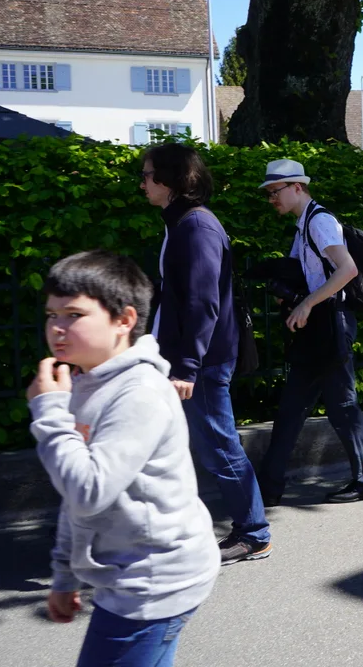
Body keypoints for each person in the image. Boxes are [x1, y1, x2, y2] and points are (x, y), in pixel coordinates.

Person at [27, 251, 219, 666]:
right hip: (132, 578)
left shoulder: (139, 393)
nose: (57, 328)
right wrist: (64, 574)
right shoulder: (82, 383)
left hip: (153, 584)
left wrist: (49, 413)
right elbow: (74, 493)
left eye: (74, 314)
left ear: (124, 320)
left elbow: (88, 490)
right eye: (51, 314)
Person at [141, 144, 272, 565]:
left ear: (169, 179)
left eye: (146, 175)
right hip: (180, 357)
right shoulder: (181, 223)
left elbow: (203, 304)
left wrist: (187, 367)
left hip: (200, 361)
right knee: (167, 442)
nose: (142, 183)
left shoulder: (196, 227)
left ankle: (254, 532)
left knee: (218, 445)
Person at [258, 159, 363, 505]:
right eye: (268, 194)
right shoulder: (303, 225)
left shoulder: (320, 221)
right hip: (318, 325)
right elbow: (309, 274)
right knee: (292, 408)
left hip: (331, 321)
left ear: (297, 187)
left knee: (342, 405)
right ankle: (268, 487)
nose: (272, 199)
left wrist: (307, 304)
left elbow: (347, 270)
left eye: (275, 192)